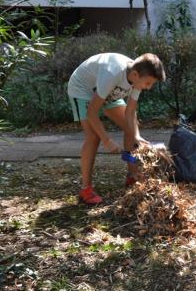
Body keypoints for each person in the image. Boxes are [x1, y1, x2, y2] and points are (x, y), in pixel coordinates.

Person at [67, 52, 166, 205]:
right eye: (148, 83)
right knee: (94, 137)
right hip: (83, 88)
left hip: (107, 92)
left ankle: (133, 175)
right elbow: (92, 112)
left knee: (131, 128)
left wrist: (137, 136)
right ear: (134, 74)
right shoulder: (112, 73)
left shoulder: (137, 77)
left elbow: (130, 111)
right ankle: (85, 190)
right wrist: (106, 140)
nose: (148, 88)